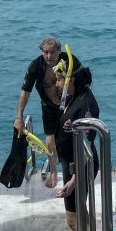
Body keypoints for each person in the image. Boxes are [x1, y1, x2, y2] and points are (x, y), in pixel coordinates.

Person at [13, 36, 81, 188]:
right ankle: (54, 172)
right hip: (49, 107)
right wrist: (19, 116)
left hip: (70, 106)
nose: (49, 56)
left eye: (52, 52)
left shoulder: (70, 61)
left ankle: (77, 172)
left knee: (73, 138)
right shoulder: (35, 67)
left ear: (59, 50)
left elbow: (83, 83)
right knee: (50, 141)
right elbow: (25, 91)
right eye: (45, 52)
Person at [52, 57, 99, 231]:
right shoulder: (72, 97)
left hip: (81, 168)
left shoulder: (86, 105)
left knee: (74, 219)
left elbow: (87, 148)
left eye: (58, 79)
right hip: (71, 166)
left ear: (70, 79)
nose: (56, 84)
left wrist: (74, 180)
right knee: (76, 217)